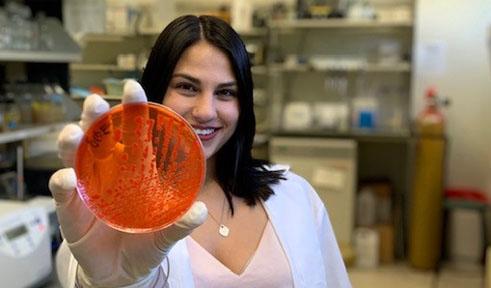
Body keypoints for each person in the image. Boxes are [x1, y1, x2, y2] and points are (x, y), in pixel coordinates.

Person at [49, 15, 351, 287]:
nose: (206, 111)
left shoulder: (296, 196)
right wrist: (110, 285)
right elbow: (85, 268)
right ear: (155, 93)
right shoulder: (111, 215)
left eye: (226, 92)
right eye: (187, 87)